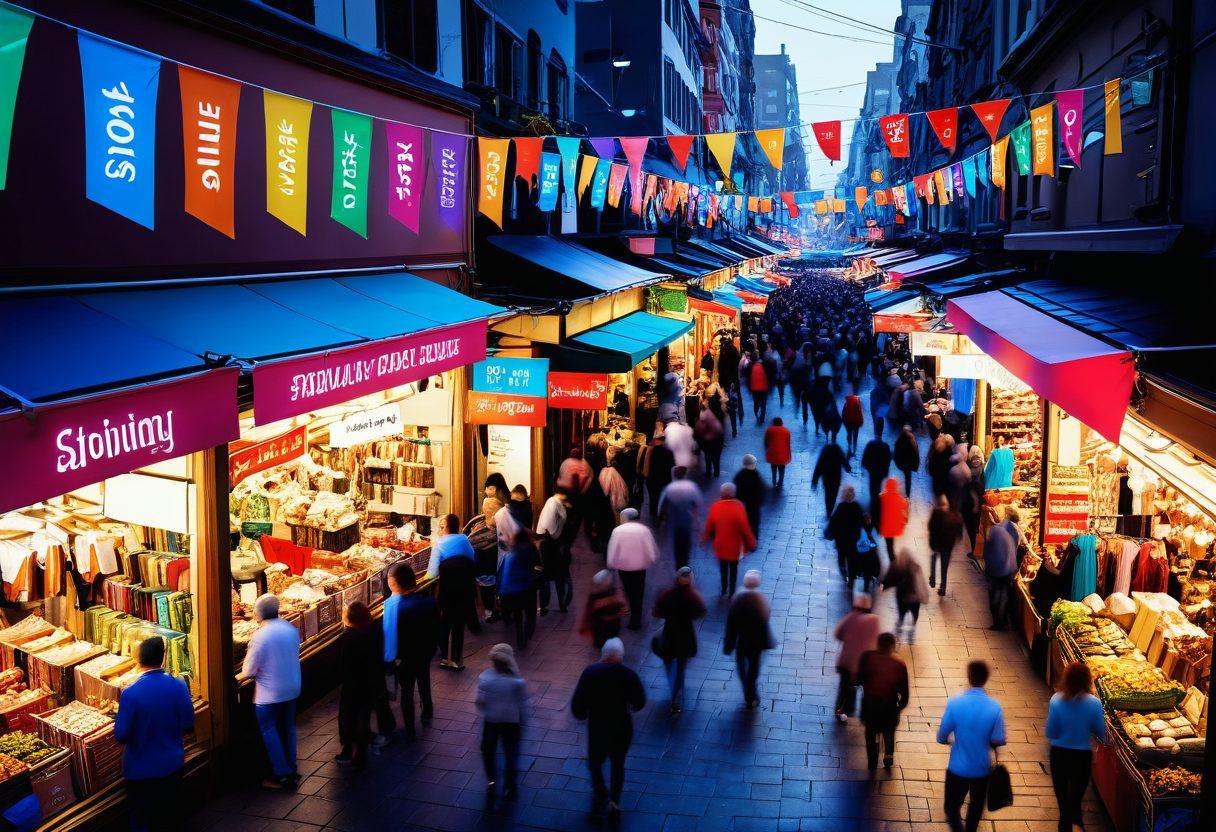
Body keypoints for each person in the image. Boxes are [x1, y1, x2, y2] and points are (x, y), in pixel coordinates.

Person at [115, 637, 194, 830]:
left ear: (138, 661)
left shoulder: (130, 694)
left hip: (140, 772)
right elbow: (188, 723)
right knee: (170, 817)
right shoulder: (179, 686)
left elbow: (121, 735)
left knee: (142, 820)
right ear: (163, 657)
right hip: (172, 765)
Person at [571, 638, 646, 816]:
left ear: (603, 654)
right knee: (617, 763)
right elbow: (639, 702)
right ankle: (614, 801)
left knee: (595, 762)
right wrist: (632, 707)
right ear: (621, 655)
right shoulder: (628, 674)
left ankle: (600, 791)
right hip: (622, 726)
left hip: (598, 726)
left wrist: (581, 714)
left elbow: (578, 703)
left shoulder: (590, 672)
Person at [238, 594, 302, 788]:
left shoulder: (260, 636)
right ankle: (291, 766)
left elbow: (248, 671)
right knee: (289, 727)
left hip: (269, 694)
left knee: (269, 730)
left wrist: (235, 679)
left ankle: (282, 774)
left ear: (258, 614)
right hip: (292, 687)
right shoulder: (290, 628)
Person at [938, 660, 1007, 832]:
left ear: (969, 676)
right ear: (986, 678)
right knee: (975, 810)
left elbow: (941, 736)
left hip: (957, 768)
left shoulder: (955, 703)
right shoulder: (995, 706)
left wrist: (952, 740)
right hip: (982, 769)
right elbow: (998, 738)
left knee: (952, 808)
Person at [1046, 662, 1107, 832]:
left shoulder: (1056, 700)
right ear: (1087, 680)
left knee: (1063, 803)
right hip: (1082, 758)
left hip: (1059, 756)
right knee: (1076, 801)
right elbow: (1101, 732)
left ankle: (1065, 826)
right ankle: (1077, 824)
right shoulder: (1094, 703)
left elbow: (1051, 732)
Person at [382, 563, 438, 739]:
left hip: (404, 658)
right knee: (424, 682)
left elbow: (390, 635)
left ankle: (410, 729)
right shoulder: (428, 601)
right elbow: (436, 628)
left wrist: (391, 659)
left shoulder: (393, 606)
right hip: (424, 653)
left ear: (393, 583)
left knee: (407, 692)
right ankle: (427, 711)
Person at [652, 567, 707, 713]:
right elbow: (701, 611)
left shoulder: (667, 594)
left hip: (669, 633)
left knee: (669, 660)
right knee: (681, 664)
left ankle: (674, 685)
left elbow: (657, 612)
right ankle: (676, 693)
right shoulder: (692, 596)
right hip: (685, 635)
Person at [476, 643, 528, 800]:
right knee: (510, 751)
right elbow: (521, 703)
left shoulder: (485, 678)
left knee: (488, 750)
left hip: (491, 721)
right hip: (511, 722)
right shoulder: (517, 681)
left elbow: (480, 702)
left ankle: (492, 781)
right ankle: (510, 785)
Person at [335, 601, 384, 766]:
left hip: (352, 685)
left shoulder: (347, 638)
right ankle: (361, 750)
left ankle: (347, 749)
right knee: (364, 715)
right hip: (370, 683)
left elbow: (341, 665)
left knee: (348, 716)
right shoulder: (373, 632)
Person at [857, 632, 909, 774]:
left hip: (870, 706)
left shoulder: (867, 657)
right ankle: (888, 756)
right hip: (889, 707)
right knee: (889, 731)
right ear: (892, 646)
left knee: (870, 732)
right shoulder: (899, 663)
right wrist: (900, 706)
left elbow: (858, 679)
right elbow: (904, 692)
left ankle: (872, 759)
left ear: (878, 644)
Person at [431, 514, 478, 670]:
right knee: (458, 623)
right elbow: (473, 559)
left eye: (441, 525)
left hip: (448, 590)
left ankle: (445, 657)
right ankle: (457, 659)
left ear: (445, 527)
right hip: (465, 589)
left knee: (445, 622)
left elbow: (431, 573)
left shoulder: (439, 544)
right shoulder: (464, 539)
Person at [723, 570, 772, 708]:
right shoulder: (760, 601)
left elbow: (731, 624)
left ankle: (748, 688)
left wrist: (729, 644)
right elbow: (766, 620)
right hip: (756, 642)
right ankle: (751, 690)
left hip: (742, 641)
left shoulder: (737, 599)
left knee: (741, 666)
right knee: (754, 668)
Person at [606, 508, 660, 630]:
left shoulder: (617, 531)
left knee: (629, 590)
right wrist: (651, 560)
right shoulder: (644, 530)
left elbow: (613, 550)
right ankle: (637, 617)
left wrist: (611, 563)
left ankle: (633, 614)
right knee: (639, 592)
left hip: (624, 567)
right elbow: (651, 551)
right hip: (640, 567)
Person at [703, 482, 757, 597]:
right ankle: (732, 591)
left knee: (723, 568)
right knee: (733, 569)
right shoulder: (738, 507)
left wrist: (705, 538)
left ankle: (723, 589)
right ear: (734, 493)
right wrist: (751, 543)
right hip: (734, 546)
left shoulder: (715, 506)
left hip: (720, 545)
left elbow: (709, 526)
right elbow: (745, 528)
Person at [833, 593, 879, 723]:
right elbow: (876, 642)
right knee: (867, 688)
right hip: (864, 663)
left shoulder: (850, 617)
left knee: (844, 688)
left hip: (846, 662)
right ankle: (866, 713)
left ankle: (840, 711)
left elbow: (837, 634)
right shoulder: (874, 620)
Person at [498, 529, 539, 650]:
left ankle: (520, 638)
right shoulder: (529, 549)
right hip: (523, 588)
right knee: (530, 610)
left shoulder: (509, 553)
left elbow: (501, 573)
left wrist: (498, 592)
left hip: (508, 591)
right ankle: (529, 631)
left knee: (518, 615)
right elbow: (536, 566)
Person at [536, 488, 574, 614]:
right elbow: (555, 527)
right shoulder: (555, 503)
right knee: (556, 576)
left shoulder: (553, 502)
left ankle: (545, 606)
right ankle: (560, 604)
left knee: (547, 576)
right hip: (551, 543)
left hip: (548, 543)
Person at [984, 506, 1022, 630]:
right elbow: (1018, 546)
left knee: (995, 596)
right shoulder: (1015, 530)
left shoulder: (995, 530)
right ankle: (1003, 621)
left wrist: (988, 566)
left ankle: (998, 622)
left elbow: (988, 549)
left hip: (996, 569)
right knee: (1004, 595)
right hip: (1008, 568)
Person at [881, 549, 930, 643]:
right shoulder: (898, 567)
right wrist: (884, 585)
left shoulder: (904, 567)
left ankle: (906, 629)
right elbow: (889, 579)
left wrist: (884, 586)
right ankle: (903, 630)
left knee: (911, 615)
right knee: (905, 615)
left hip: (910, 598)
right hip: (906, 598)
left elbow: (921, 583)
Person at [658, 467, 703, 570]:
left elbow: (662, 505)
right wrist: (697, 519)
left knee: (677, 545)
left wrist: (661, 518)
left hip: (674, 521)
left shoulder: (669, 488)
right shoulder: (691, 487)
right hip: (686, 519)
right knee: (686, 544)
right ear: (685, 475)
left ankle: (679, 566)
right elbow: (697, 503)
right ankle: (685, 564)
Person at [468, 497, 503, 623]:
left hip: (491, 567)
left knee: (490, 589)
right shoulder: (480, 529)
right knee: (487, 590)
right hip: (484, 567)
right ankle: (490, 612)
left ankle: (493, 611)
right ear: (493, 513)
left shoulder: (493, 528)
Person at [579, 569, 628, 648]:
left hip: (606, 630)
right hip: (604, 630)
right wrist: (618, 614)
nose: (610, 582)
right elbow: (601, 617)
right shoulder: (598, 597)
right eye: (608, 580)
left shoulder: (599, 594)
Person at [826, 484, 865, 583]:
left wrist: (831, 532)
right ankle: (852, 574)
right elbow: (862, 521)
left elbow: (833, 521)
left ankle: (843, 570)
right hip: (853, 538)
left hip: (841, 539)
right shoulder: (857, 506)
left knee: (841, 556)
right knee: (852, 556)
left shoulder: (841, 507)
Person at [928, 495, 965, 596]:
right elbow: (959, 534)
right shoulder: (957, 516)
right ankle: (943, 588)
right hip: (948, 546)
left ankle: (932, 578)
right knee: (944, 568)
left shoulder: (937, 512)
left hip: (936, 542)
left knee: (933, 558)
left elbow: (930, 526)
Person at [812, 441, 852, 518]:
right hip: (836, 477)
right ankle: (830, 509)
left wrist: (815, 481)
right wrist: (848, 467)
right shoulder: (838, 450)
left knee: (827, 494)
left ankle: (828, 511)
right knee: (833, 494)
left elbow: (819, 466)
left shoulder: (825, 450)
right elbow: (844, 462)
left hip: (826, 477)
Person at [733, 454, 765, 536]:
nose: (755, 464)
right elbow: (760, 490)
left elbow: (736, 491)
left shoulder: (739, 475)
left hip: (743, 504)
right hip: (752, 505)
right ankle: (753, 538)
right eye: (754, 462)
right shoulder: (755, 475)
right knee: (753, 523)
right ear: (751, 464)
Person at [645, 432, 676, 518]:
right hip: (664, 478)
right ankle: (661, 513)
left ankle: (653, 514)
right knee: (662, 497)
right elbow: (672, 464)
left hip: (652, 479)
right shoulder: (669, 451)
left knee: (653, 498)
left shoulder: (652, 450)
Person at [878, 477, 909, 560]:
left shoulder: (882, 498)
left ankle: (892, 559)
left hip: (885, 528)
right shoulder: (900, 499)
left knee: (889, 544)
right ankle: (893, 557)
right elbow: (905, 510)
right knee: (891, 542)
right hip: (896, 527)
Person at [861, 435, 892, 515]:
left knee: (872, 486)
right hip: (881, 472)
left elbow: (865, 456)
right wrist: (886, 470)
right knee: (878, 487)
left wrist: (865, 465)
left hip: (873, 470)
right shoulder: (886, 446)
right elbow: (888, 460)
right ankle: (876, 502)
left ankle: (873, 501)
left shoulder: (871, 444)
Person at [694, 405, 725, 477]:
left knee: (708, 457)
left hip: (707, 443)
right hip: (717, 442)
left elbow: (699, 431)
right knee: (716, 458)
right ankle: (716, 472)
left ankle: (708, 472)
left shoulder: (702, 418)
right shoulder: (714, 416)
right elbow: (720, 430)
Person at [763, 416, 792, 487]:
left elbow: (766, 441)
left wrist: (767, 449)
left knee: (773, 467)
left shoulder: (770, 430)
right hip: (783, 454)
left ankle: (774, 480)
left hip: (773, 453)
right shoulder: (786, 431)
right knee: (782, 468)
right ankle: (780, 481)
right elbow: (788, 443)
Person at [893, 425, 920, 498]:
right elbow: (916, 454)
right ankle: (907, 495)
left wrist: (896, 461)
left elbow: (895, 451)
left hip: (902, 462)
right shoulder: (912, 440)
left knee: (905, 477)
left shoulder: (900, 439)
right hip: (909, 464)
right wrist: (916, 465)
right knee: (908, 478)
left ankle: (902, 491)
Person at [748, 350, 771, 424]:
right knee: (763, 404)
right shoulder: (764, 365)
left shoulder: (751, 366)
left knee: (756, 403)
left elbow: (748, 378)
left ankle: (758, 416)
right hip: (764, 388)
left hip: (755, 389)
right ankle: (762, 418)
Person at [842, 389, 864, 456]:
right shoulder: (857, 401)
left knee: (849, 434)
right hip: (856, 422)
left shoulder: (847, 402)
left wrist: (844, 421)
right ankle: (854, 450)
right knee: (855, 436)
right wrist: (861, 421)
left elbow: (844, 413)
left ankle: (849, 448)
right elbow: (860, 412)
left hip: (848, 422)